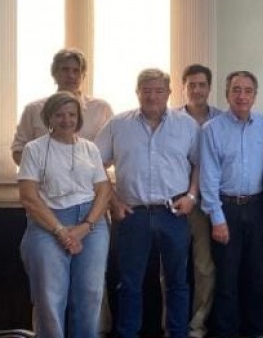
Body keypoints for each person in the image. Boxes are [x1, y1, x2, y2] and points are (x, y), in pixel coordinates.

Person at [10, 48, 114, 337]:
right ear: (49, 117)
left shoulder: (89, 148)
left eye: (72, 115)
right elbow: (29, 196)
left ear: (79, 118)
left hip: (90, 222)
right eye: (60, 115)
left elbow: (103, 189)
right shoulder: (34, 149)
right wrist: (60, 231)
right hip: (48, 221)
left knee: (90, 293)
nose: (66, 120)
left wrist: (85, 226)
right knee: (49, 296)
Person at [95, 68, 200, 338]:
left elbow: (200, 163)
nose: (152, 96)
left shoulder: (187, 125)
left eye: (158, 90)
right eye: (146, 91)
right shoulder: (118, 125)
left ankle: (178, 333)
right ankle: (128, 333)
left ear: (169, 92)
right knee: (129, 283)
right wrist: (113, 200)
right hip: (132, 214)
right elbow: (94, 164)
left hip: (174, 213)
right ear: (137, 92)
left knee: (177, 282)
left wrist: (191, 196)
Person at [199, 70, 263, 337]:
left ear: (255, 95)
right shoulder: (212, 129)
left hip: (258, 208)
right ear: (227, 94)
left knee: (258, 276)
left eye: (248, 91)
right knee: (227, 279)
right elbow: (208, 177)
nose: (242, 96)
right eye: (236, 90)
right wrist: (217, 219)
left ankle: (256, 331)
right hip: (226, 208)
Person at [177, 64, 222, 338]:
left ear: (209, 87)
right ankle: (173, 326)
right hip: (177, 203)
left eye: (201, 85)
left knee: (204, 267)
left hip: (211, 203)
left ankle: (197, 325)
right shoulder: (171, 120)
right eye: (191, 85)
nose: (196, 90)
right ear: (183, 88)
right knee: (173, 269)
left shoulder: (222, 120)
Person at [11, 48, 113, 165]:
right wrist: (44, 170)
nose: (71, 75)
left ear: (83, 76)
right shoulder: (33, 110)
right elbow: (18, 151)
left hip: (91, 176)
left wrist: (90, 170)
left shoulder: (101, 109)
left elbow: (113, 152)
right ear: (54, 74)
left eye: (76, 71)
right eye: (65, 70)